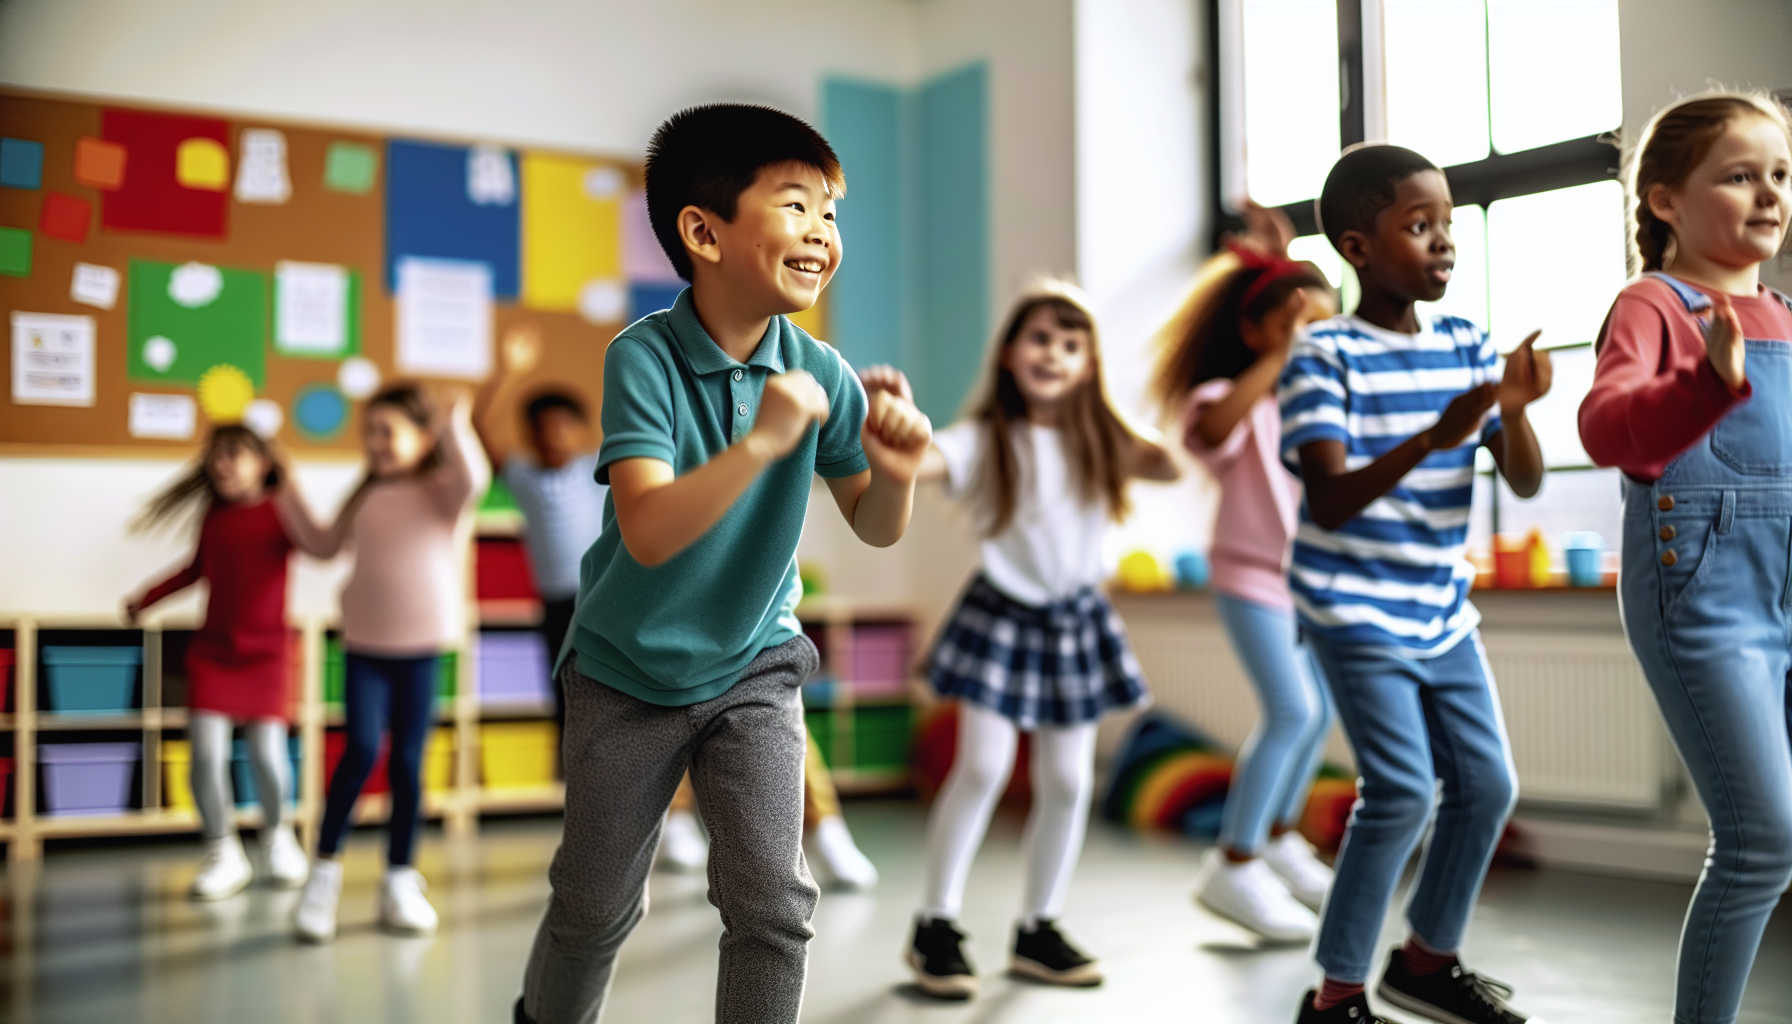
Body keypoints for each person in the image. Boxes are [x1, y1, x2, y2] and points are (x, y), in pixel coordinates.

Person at [513, 103, 930, 1024]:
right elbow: (653, 529)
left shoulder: (821, 369)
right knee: (594, 907)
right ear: (703, 232)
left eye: (831, 212)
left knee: (775, 910)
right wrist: (764, 442)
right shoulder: (645, 358)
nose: (823, 233)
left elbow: (875, 523)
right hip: (627, 673)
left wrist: (895, 473)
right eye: (796, 205)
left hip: (755, 666)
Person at [1281, 144, 1550, 1024]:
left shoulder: (1468, 342)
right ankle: (1336, 995)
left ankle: (1426, 963)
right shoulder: (1323, 355)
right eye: (1418, 225)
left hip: (1439, 608)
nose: (1443, 243)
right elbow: (1329, 494)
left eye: (1447, 225)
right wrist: (1439, 436)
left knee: (1487, 786)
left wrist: (1508, 409)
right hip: (1351, 609)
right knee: (1399, 792)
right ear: (1357, 247)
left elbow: (1525, 481)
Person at [897, 279, 1179, 1000]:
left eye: (1071, 343)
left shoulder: (1098, 440)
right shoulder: (984, 437)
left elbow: (1170, 464)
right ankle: (935, 923)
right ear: (1010, 354)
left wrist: (1115, 415)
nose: (1053, 353)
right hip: (1003, 613)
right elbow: (923, 462)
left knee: (1069, 781)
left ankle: (1039, 927)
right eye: (1040, 339)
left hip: (1075, 618)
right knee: (984, 768)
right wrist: (895, 427)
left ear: (1089, 362)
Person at [1578, 90, 1792, 1024]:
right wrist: (1703, 380)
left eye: (1780, 174)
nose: (1769, 194)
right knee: (1761, 841)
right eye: (1740, 176)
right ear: (1666, 200)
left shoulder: (1785, 311)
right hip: (1708, 601)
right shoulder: (1652, 305)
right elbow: (1609, 428)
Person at [1148, 204, 1339, 942]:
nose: (1307, 342)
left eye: (1320, 328)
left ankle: (1280, 840)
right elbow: (1216, 429)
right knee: (1290, 711)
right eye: (1294, 328)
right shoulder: (1227, 400)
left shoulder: (1313, 402)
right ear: (1255, 336)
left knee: (1318, 715)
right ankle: (1233, 860)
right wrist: (1282, 350)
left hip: (1308, 583)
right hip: (1250, 579)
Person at [278, 384, 490, 943]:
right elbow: (322, 545)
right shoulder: (363, 495)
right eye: (370, 431)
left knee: (408, 764)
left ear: (424, 439)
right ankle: (322, 874)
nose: (377, 442)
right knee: (363, 749)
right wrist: (290, 490)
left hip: (422, 647)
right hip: (366, 644)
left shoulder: (443, 490)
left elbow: (476, 477)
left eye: (389, 431)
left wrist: (456, 422)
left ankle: (399, 878)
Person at [124, 425, 310, 900]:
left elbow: (318, 542)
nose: (222, 464)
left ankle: (277, 837)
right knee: (206, 756)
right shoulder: (214, 517)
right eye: (215, 456)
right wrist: (146, 598)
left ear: (262, 463)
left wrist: (292, 483)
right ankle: (223, 851)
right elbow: (196, 569)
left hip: (267, 655)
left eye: (235, 454)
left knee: (269, 757)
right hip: (214, 654)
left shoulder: (281, 513)